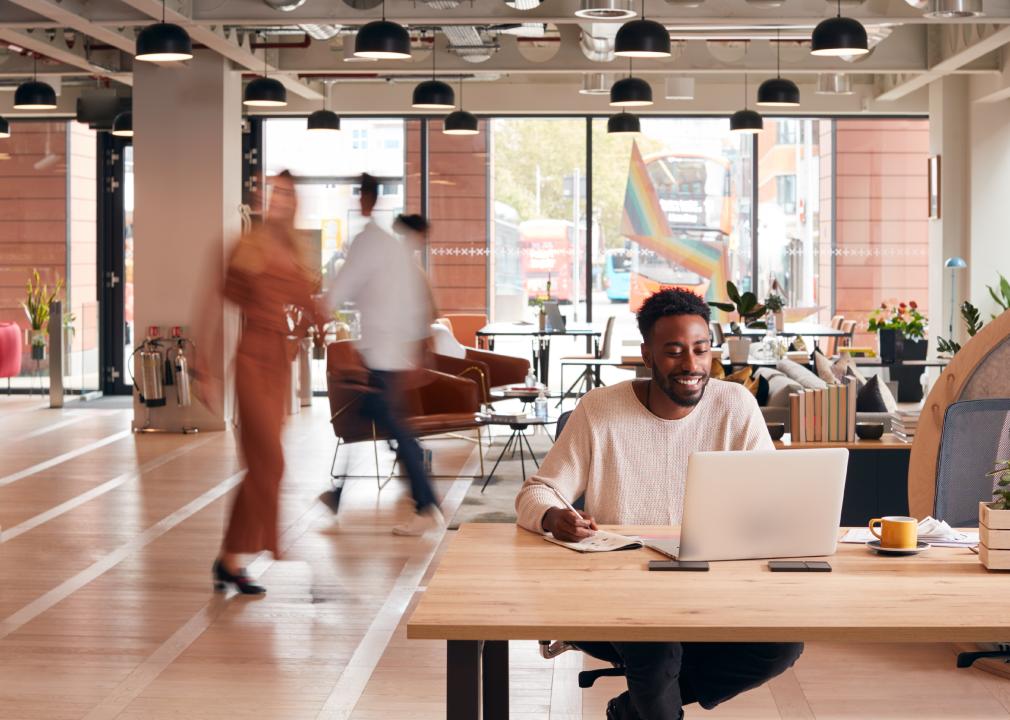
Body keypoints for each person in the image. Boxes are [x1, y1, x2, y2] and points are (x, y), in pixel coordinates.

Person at [514, 288, 802, 720]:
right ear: (647, 355)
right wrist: (555, 516)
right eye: (673, 352)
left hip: (712, 589)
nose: (691, 365)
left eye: (700, 350)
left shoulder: (735, 405)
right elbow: (534, 493)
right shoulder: (600, 410)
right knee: (658, 645)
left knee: (782, 645)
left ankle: (631, 710)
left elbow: (770, 499)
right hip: (620, 593)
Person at [204, 170, 318, 595]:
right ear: (265, 198)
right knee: (269, 461)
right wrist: (207, 369)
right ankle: (252, 549)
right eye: (276, 193)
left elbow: (309, 304)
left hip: (277, 366)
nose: (281, 201)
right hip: (251, 359)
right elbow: (218, 308)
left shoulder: (293, 249)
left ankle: (230, 559)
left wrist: (317, 328)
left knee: (261, 465)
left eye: (288, 194)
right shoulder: (247, 245)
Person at [321, 175, 441, 536]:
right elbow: (415, 306)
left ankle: (424, 503)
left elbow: (343, 287)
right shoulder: (392, 252)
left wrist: (321, 310)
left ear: (366, 200)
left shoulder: (370, 243)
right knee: (370, 419)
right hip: (384, 353)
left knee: (392, 428)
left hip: (383, 355)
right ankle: (339, 494)